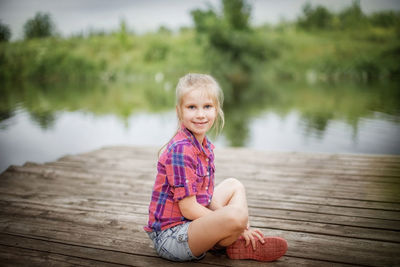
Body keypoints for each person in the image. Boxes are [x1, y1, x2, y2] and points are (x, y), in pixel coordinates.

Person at [144, 73, 288, 262]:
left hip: (191, 225)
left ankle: (231, 240)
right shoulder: (181, 150)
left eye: (207, 107)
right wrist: (235, 224)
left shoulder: (204, 146)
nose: (201, 114)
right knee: (236, 217)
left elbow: (206, 198)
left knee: (234, 185)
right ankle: (231, 240)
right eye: (192, 107)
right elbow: (188, 208)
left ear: (216, 109)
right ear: (179, 111)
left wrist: (230, 222)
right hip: (171, 237)